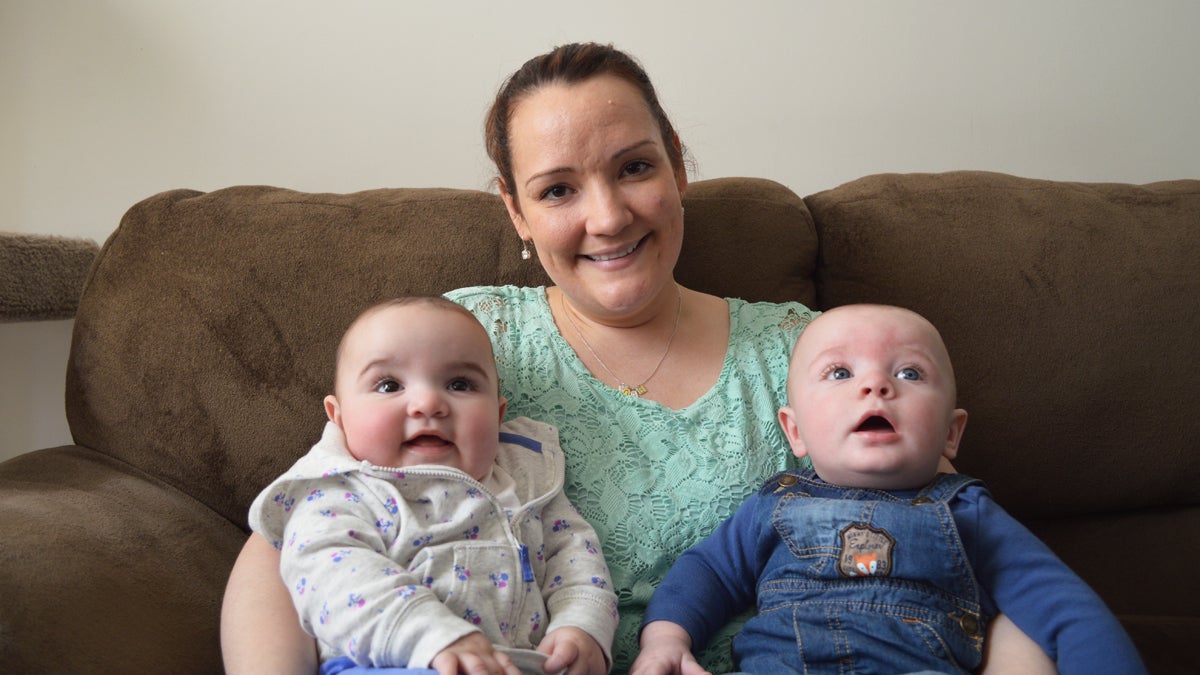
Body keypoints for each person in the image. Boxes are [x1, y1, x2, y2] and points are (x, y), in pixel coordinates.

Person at [222, 43, 1056, 674]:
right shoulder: (461, 347)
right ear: (514, 210)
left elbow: (958, 551)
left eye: (633, 168)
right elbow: (299, 530)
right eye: (557, 189)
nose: (609, 216)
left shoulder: (817, 353)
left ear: (678, 163)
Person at [631, 304, 1146, 675]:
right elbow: (709, 571)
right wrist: (666, 638)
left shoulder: (968, 512)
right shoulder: (775, 504)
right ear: (796, 432)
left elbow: (1066, 609)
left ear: (950, 432)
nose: (876, 385)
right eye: (839, 372)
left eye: (908, 372)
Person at [248, 297, 617, 675]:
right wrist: (433, 635)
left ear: (497, 414)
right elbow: (332, 580)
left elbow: (576, 558)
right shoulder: (337, 492)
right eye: (389, 385)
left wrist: (582, 624)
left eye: (460, 384)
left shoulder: (528, 482)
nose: (428, 403)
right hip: (388, 663)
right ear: (339, 417)